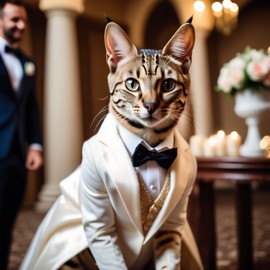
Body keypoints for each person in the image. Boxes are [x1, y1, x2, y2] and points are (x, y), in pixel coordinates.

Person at [0, 0, 43, 269]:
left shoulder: (28, 63)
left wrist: (35, 145)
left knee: (6, 221)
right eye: (14, 19)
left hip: (16, 154)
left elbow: (30, 109)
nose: (21, 25)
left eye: (23, 20)